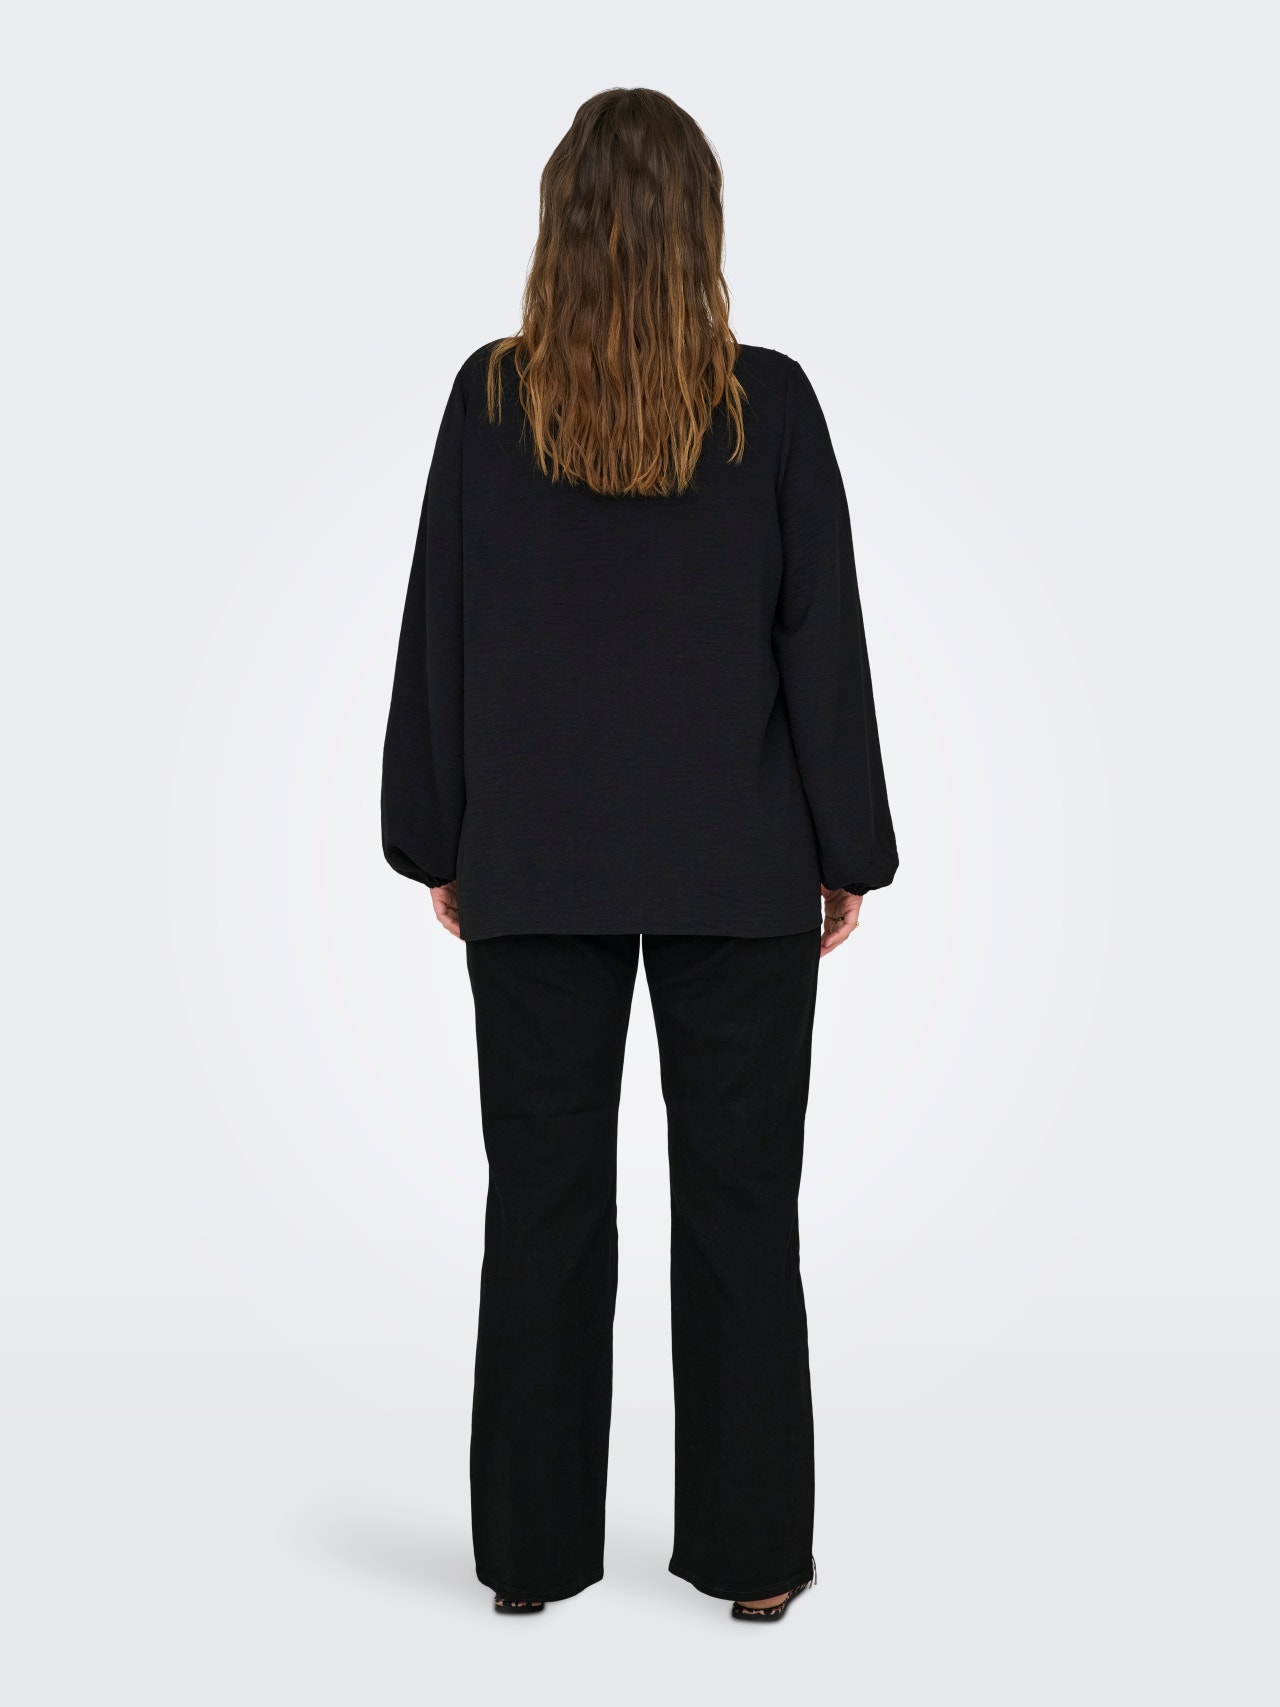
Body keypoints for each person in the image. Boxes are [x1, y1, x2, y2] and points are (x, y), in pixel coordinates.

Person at [381, 86, 898, 1620]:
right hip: (739, 869)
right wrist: (849, 849)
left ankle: (531, 1561)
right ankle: (755, 1564)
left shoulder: (492, 403)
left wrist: (435, 832)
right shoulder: (769, 407)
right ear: (703, 229)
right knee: (740, 1214)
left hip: (537, 867)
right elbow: (821, 649)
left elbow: (441, 634)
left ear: (562, 226)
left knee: (542, 1210)